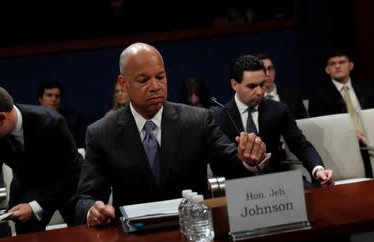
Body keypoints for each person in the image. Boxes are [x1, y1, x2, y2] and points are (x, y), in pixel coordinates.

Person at [73, 42, 268, 228]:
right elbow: (86, 198)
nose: (155, 86)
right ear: (123, 84)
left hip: (194, 234)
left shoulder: (197, 120)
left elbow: (233, 163)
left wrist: (248, 160)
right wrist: (93, 211)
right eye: (143, 80)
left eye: (160, 77)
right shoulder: (101, 133)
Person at [0, 83, 84, 242]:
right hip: (28, 185)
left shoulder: (51, 122)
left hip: (68, 184)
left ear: (1, 118)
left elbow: (71, 173)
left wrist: (34, 206)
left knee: (83, 232)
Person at [210, 54, 334, 187]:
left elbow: (300, 144)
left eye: (262, 84)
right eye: (252, 86)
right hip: (239, 185)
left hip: (278, 181)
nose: (259, 92)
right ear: (234, 85)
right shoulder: (219, 116)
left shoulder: (279, 110)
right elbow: (218, 162)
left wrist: (318, 170)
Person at [308, 51, 374, 145]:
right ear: (327, 69)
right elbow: (319, 125)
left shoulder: (368, 88)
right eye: (332, 64)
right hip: (341, 142)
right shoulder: (318, 95)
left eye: (342, 62)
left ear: (350, 66)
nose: (337, 66)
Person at [256, 53, 308, 119]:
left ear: (274, 71)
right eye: (263, 70)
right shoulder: (253, 99)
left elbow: (305, 123)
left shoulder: (293, 96)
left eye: (270, 68)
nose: (268, 74)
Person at [38, 80, 87, 148]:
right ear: (40, 99)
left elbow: (82, 145)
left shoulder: (74, 120)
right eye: (49, 95)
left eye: (57, 96)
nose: (54, 99)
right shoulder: (31, 119)